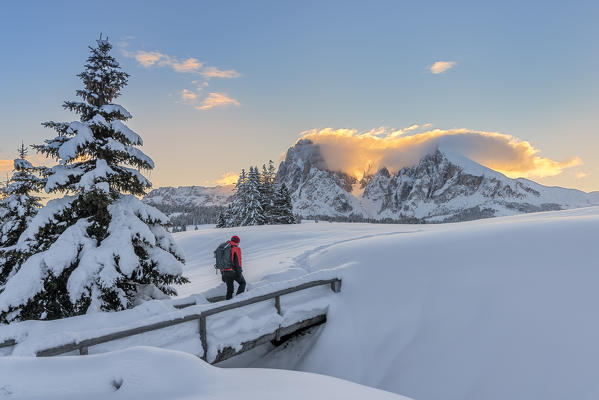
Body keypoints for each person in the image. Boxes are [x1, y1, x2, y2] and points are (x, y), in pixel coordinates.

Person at [221, 235, 246, 300]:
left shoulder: (225, 248)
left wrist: (222, 274)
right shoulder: (235, 249)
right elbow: (237, 262)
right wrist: (239, 273)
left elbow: (221, 262)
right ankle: (238, 300)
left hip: (225, 271)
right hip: (233, 271)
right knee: (243, 283)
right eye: (238, 242)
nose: (238, 243)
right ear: (237, 242)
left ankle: (228, 304)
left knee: (230, 289)